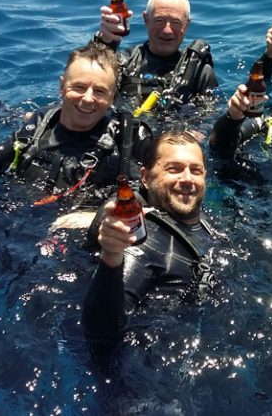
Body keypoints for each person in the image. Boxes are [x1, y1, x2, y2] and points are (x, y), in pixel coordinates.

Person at [0, 42, 151, 204]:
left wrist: (95, 218)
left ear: (112, 97)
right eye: (79, 87)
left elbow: (154, 190)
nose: (88, 99)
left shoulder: (125, 138)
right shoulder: (40, 125)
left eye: (100, 91)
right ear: (62, 86)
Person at [82, 130, 216, 356]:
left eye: (196, 170)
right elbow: (101, 332)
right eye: (174, 169)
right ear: (145, 177)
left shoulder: (196, 218)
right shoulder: (141, 241)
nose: (187, 179)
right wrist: (112, 257)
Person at [90, 0, 218, 110]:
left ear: (187, 24)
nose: (167, 30)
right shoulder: (124, 62)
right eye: (159, 21)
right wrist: (103, 42)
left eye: (176, 23)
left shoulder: (199, 73)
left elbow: (210, 117)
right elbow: (87, 81)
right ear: (146, 19)